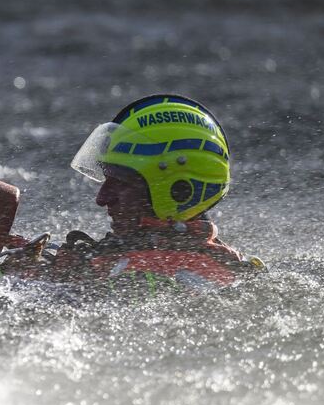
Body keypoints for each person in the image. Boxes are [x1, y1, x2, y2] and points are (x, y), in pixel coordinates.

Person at [33, 94, 264, 292]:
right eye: (107, 180)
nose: (102, 198)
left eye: (121, 182)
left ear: (178, 191)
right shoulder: (192, 255)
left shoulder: (164, 270)